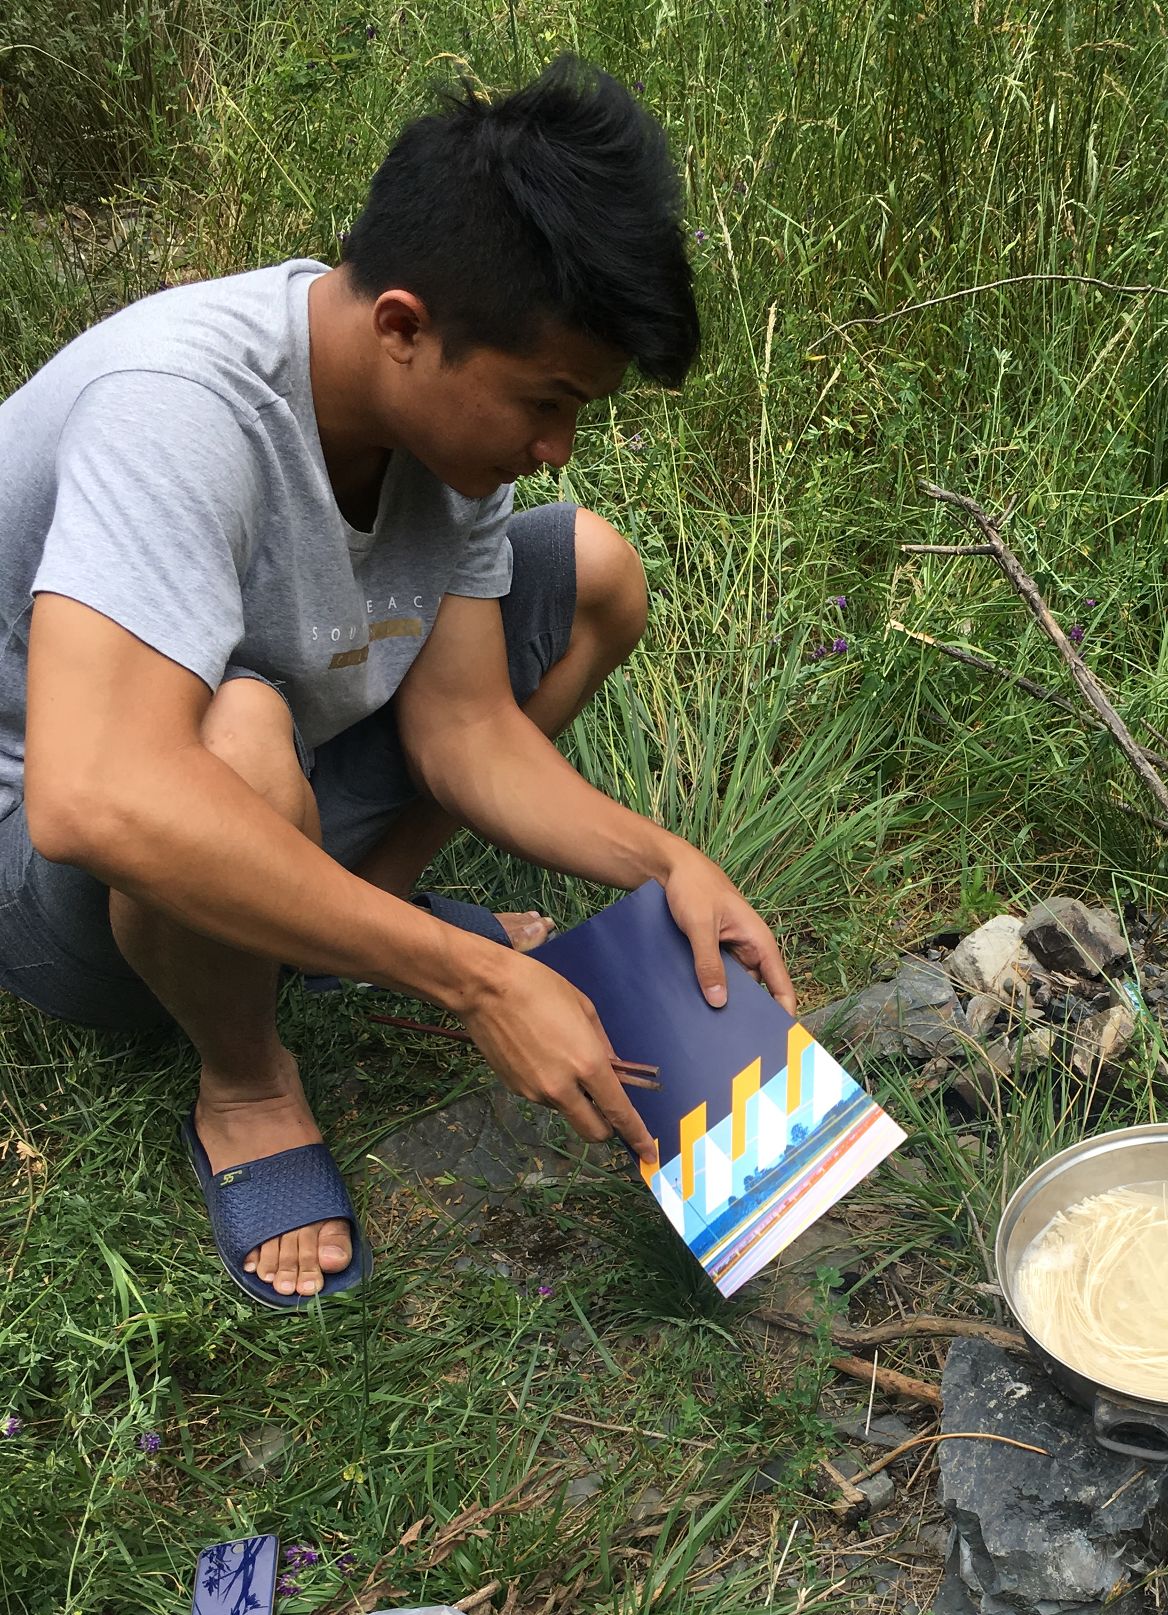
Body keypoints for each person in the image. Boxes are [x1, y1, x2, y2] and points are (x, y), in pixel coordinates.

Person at [0, 57, 794, 1310]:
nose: (555, 447)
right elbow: (93, 797)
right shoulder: (177, 410)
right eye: (545, 402)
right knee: (238, 726)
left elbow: (464, 728)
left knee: (594, 572)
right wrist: (470, 977)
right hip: (66, 882)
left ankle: (350, 917)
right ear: (404, 327)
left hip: (279, 770)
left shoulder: (438, 437)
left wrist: (662, 861)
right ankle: (247, 1080)